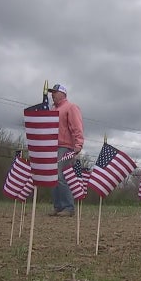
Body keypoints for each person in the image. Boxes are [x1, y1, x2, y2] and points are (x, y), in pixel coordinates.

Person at [47, 84, 84, 217]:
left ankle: (69, 207)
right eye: (52, 92)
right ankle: (58, 206)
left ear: (63, 94)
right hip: (52, 146)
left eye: (55, 92)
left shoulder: (71, 107)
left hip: (65, 146)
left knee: (60, 175)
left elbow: (77, 126)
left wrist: (78, 144)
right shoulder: (52, 109)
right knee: (53, 177)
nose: (52, 94)